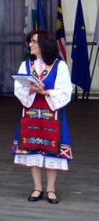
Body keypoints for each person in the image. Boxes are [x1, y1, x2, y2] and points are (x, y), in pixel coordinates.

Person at [13, 30, 72, 203]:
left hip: (51, 114)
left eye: (34, 42)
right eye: (30, 41)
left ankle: (51, 189)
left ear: (44, 44)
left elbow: (66, 90)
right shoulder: (25, 65)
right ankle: (37, 188)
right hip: (31, 114)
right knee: (32, 149)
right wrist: (30, 90)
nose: (30, 45)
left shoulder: (59, 66)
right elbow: (18, 88)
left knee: (52, 148)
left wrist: (45, 92)